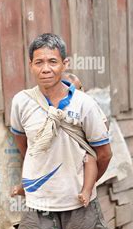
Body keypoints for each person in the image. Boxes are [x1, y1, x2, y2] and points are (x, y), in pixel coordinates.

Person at [9, 33, 112, 229]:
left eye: (52, 62)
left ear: (65, 64)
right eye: (39, 62)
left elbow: (104, 154)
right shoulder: (21, 102)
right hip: (39, 198)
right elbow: (22, 143)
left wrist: (86, 185)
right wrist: (36, 171)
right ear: (30, 66)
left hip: (76, 199)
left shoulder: (84, 104)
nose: (46, 69)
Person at [12, 71, 103, 208]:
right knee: (36, 164)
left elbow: (102, 137)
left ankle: (86, 190)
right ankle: (23, 188)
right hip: (48, 157)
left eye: (76, 89)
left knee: (90, 160)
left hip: (81, 152)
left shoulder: (86, 104)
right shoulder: (35, 104)